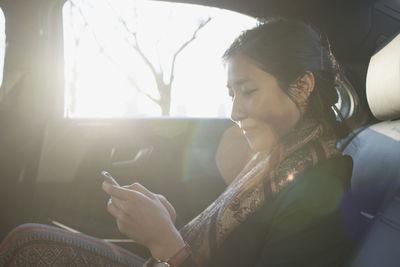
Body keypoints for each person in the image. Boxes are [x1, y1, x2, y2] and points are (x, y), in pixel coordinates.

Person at [0, 17, 354, 267]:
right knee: (29, 240)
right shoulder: (277, 157)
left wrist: (166, 244)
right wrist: (169, 222)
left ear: (303, 85)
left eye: (248, 91)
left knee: (26, 248)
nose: (234, 111)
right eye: (232, 93)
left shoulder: (318, 189)